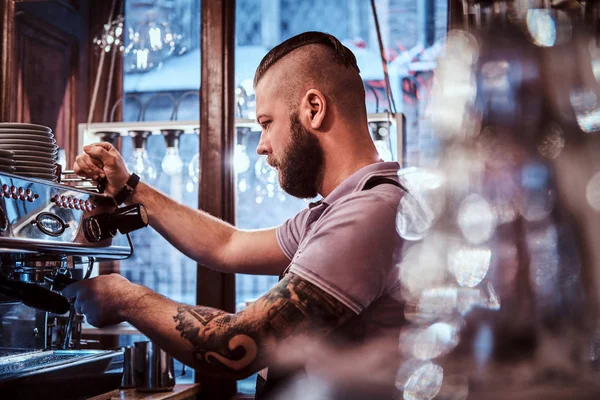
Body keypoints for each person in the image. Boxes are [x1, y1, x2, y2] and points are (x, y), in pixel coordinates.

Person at [64, 31, 405, 398]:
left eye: (266, 123)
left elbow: (235, 346)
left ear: (313, 109)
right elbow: (227, 244)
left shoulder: (370, 213)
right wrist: (130, 187)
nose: (262, 146)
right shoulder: (337, 209)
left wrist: (124, 298)